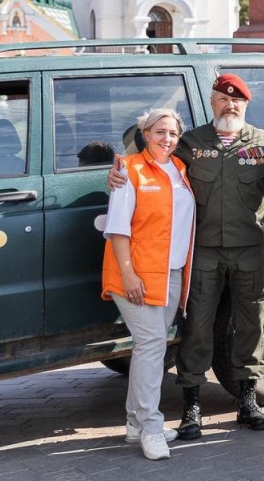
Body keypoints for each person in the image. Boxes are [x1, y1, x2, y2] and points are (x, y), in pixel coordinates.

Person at [110, 75, 264, 440]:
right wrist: (117, 171)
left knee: (250, 323)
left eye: (237, 100)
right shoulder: (190, 142)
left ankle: (248, 400)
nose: (230, 105)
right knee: (197, 325)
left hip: (249, 250)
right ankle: (192, 406)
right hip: (202, 252)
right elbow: (150, 158)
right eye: (223, 99)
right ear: (212, 101)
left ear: (246, 105)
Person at [102, 109, 197, 461]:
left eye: (173, 133)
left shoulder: (182, 170)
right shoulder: (130, 170)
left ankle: (134, 423)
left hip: (171, 274)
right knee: (152, 343)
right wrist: (129, 275)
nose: (166, 139)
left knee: (150, 348)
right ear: (145, 134)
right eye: (159, 132)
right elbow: (118, 228)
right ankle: (151, 427)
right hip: (136, 276)